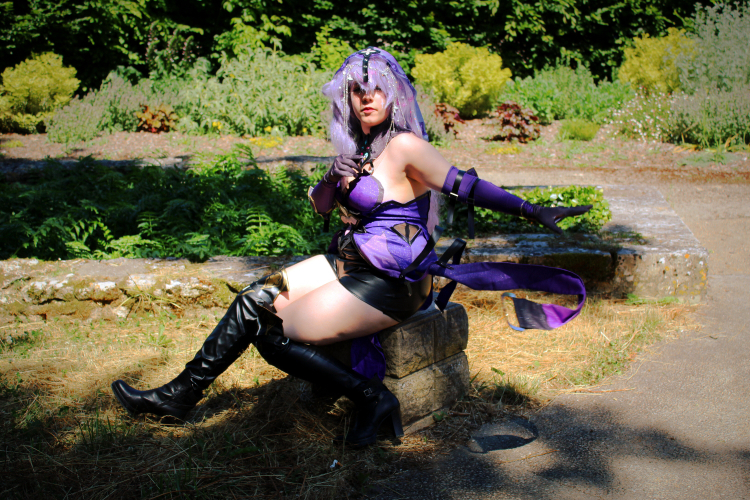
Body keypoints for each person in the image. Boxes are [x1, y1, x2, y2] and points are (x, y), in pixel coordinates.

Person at [111, 47, 591, 447]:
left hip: (392, 282)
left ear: (392, 94)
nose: (366, 98)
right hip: (348, 263)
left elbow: (466, 185)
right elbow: (321, 207)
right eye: (358, 91)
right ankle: (179, 395)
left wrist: (533, 210)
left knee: (273, 329)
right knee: (253, 299)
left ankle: (371, 397)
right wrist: (331, 175)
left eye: (375, 89)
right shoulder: (358, 149)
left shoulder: (404, 147)